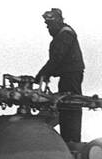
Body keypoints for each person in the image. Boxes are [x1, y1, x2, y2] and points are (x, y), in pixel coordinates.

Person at [35, 8, 85, 144]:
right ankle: (69, 141)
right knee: (66, 106)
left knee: (70, 105)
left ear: (57, 22)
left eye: (49, 25)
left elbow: (57, 58)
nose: (48, 29)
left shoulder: (65, 35)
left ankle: (72, 142)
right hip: (68, 75)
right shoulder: (64, 34)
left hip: (71, 76)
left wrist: (43, 74)